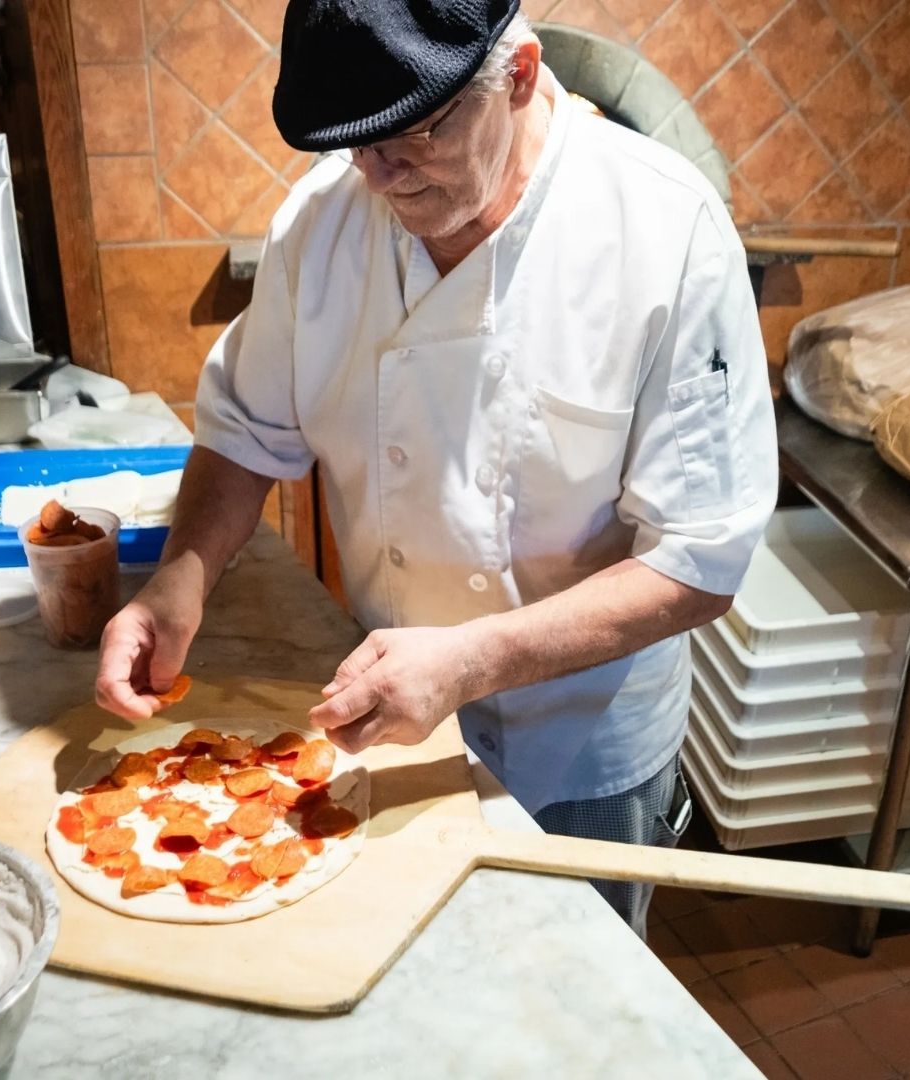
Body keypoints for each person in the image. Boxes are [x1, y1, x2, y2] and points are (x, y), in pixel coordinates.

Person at [96, 0, 778, 937]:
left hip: (576, 748)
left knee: (572, 1024)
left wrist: (471, 660)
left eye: (411, 133)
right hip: (387, 724)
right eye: (356, 144)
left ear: (522, 75)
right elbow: (245, 430)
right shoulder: (323, 224)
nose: (379, 174)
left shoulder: (666, 235)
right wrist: (177, 581)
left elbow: (699, 564)